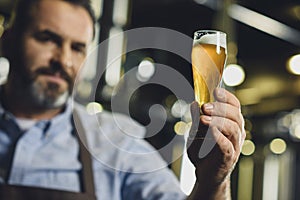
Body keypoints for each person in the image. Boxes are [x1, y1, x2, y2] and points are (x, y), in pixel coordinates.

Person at [0, 0, 246, 199]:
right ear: (8, 40)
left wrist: (214, 181)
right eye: (48, 39)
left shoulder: (116, 144)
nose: (63, 60)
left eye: (77, 48)